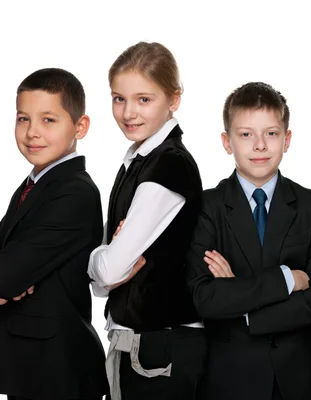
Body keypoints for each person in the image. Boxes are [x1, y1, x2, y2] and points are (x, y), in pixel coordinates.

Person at [186, 81, 311, 400]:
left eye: (270, 133)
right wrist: (287, 279)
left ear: (287, 139)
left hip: (299, 380)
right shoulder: (207, 207)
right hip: (229, 380)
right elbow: (204, 297)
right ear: (227, 142)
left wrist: (242, 302)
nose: (259, 145)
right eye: (246, 134)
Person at [0, 68, 108, 400]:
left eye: (48, 120)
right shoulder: (33, 186)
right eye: (23, 119)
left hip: (57, 371)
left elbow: (3, 275)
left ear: (80, 127)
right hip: (29, 370)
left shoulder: (74, 192)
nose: (32, 133)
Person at [87, 42, 205, 400]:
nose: (128, 113)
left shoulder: (166, 165)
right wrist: (107, 259)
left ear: (174, 99)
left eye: (144, 99)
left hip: (160, 349)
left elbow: (106, 272)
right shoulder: (138, 160)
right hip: (144, 344)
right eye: (118, 98)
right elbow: (105, 284)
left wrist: (94, 257)